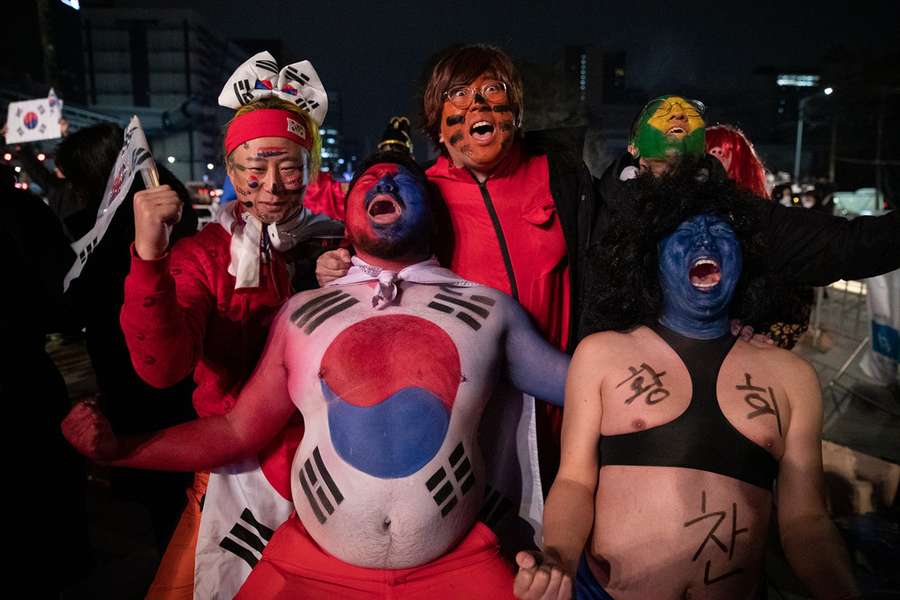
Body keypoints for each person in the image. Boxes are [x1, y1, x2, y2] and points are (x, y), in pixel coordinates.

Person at [64, 149, 570, 599]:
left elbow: (582, 387)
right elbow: (236, 430)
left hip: (458, 566)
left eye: (400, 181)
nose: (385, 186)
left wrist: (635, 351)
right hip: (312, 570)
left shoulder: (486, 310)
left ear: (433, 214)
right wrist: (122, 449)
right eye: (368, 183)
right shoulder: (305, 312)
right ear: (347, 219)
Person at [514, 163, 859, 600]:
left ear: (745, 255)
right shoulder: (602, 354)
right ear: (651, 257)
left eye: (720, 230)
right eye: (684, 230)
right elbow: (575, 481)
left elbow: (805, 522)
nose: (704, 239)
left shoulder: (793, 378)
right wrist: (559, 556)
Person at [318, 43, 595, 491]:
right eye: (460, 94)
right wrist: (334, 267)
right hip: (469, 408)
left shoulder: (561, 175)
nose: (478, 104)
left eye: (492, 89)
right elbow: (374, 261)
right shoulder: (419, 194)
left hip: (562, 399)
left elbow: (609, 259)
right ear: (437, 124)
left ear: (515, 111)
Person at [118, 52, 343, 598]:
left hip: (332, 468)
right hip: (234, 477)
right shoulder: (204, 256)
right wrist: (149, 260)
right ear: (231, 168)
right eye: (254, 167)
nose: (271, 185)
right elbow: (163, 367)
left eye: (289, 167)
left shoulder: (339, 239)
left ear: (310, 169)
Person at [706, 123, 811, 349]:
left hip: (749, 353)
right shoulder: (675, 220)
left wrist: (758, 329)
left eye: (722, 152)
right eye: (708, 151)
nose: (714, 159)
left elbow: (793, 307)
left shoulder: (768, 224)